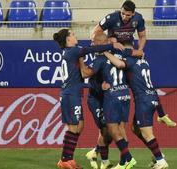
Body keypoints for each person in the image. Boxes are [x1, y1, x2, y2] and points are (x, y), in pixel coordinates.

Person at [53, 29, 124, 169]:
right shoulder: (73, 50)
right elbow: (91, 49)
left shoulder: (71, 52)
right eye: (72, 34)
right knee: (74, 126)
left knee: (79, 125)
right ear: (68, 40)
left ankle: (68, 159)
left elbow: (84, 70)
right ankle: (65, 160)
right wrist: (111, 46)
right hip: (70, 94)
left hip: (74, 93)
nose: (75, 35)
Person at [81, 33, 142, 169]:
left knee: (114, 129)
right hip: (98, 98)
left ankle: (122, 160)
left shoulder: (102, 57)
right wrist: (99, 86)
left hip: (110, 97)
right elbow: (91, 81)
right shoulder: (114, 55)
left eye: (93, 42)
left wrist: (78, 58)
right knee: (106, 130)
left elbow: (86, 74)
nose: (91, 44)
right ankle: (105, 162)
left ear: (101, 43)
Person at [104, 48, 170, 169]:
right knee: (135, 128)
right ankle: (157, 155)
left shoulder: (131, 61)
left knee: (147, 134)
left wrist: (105, 52)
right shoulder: (144, 62)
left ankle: (160, 160)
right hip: (152, 97)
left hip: (143, 101)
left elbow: (119, 63)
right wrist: (161, 113)